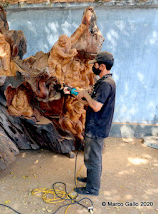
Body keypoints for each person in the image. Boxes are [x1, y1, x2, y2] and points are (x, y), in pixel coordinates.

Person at [65, 51, 116, 195]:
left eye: (96, 64)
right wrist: (73, 93)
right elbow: (89, 102)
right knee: (91, 156)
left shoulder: (106, 84)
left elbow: (96, 106)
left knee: (93, 158)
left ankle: (92, 189)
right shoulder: (102, 82)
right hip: (94, 126)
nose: (93, 66)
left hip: (97, 128)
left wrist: (85, 93)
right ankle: (91, 179)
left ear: (102, 66)